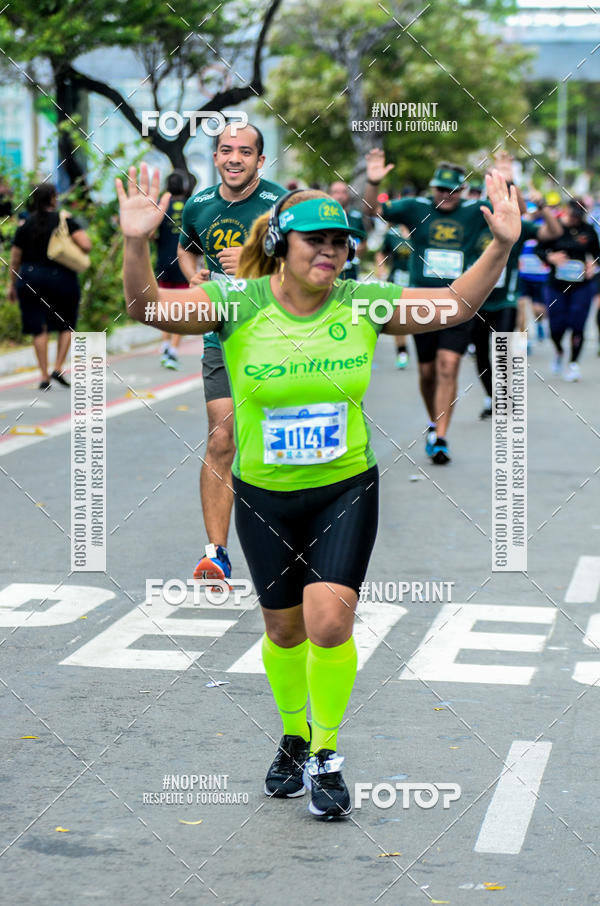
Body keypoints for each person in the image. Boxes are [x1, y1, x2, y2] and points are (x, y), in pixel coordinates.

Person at [117, 163, 521, 820]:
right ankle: (294, 736)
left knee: (329, 622)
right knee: (283, 631)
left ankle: (327, 753)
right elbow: (147, 308)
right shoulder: (237, 302)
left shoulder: (363, 302)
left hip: (343, 489)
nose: (330, 252)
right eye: (316, 241)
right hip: (264, 494)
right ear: (282, 245)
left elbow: (455, 305)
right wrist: (136, 242)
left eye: (339, 242)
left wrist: (500, 245)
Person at [176, 123, 287, 583]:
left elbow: (309, 267)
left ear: (260, 160)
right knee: (221, 438)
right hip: (221, 335)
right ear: (215, 157)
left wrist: (255, 263)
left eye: (245, 151)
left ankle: (288, 543)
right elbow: (186, 249)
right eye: (226, 150)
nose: (234, 158)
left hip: (277, 336)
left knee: (276, 441)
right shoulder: (199, 205)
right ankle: (216, 553)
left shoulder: (281, 206)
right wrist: (194, 276)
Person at [363, 153, 494, 464]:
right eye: (440, 189)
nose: (445, 195)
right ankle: (433, 420)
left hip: (459, 301)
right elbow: (371, 209)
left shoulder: (474, 211)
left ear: (462, 190)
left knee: (448, 366)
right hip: (421, 301)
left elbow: (514, 215)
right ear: (433, 188)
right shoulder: (416, 208)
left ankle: (440, 437)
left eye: (452, 190)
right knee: (427, 372)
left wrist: (507, 181)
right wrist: (373, 181)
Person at [471, 187, 561, 417]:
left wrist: (542, 207)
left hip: (506, 300)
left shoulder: (518, 226)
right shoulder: (474, 224)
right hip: (477, 300)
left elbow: (554, 232)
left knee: (502, 351)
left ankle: (503, 397)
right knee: (480, 354)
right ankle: (491, 396)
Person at [8, 184, 91, 389]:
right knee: (66, 324)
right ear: (53, 198)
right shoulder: (65, 220)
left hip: (30, 278)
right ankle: (58, 368)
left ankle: (44, 376)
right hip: (61, 278)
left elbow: (15, 260)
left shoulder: (25, 225)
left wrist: (12, 285)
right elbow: (86, 245)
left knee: (38, 328)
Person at [536, 198, 600, 381]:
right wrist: (550, 257)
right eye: (573, 215)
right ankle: (559, 351)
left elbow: (597, 254)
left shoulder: (587, 230)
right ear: (566, 210)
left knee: (577, 323)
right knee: (556, 326)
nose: (575, 219)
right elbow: (538, 249)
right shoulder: (555, 228)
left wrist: (593, 265)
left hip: (581, 286)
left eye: (579, 216)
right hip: (556, 286)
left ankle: (573, 363)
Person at [153, 170, 192, 369]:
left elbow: (151, 233)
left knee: (164, 305)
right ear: (184, 187)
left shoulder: (161, 206)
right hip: (184, 263)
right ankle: (174, 350)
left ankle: (165, 343)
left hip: (163, 262)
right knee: (182, 308)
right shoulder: (190, 206)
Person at [375, 219, 413, 369]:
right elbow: (380, 253)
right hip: (397, 279)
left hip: (417, 281)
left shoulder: (421, 231)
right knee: (400, 315)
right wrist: (381, 269)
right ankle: (402, 351)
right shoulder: (392, 234)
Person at [328, 181, 367, 280]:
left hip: (351, 271)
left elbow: (364, 241)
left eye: (344, 192)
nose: (340, 196)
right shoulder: (324, 218)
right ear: (329, 195)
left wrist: (356, 250)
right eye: (336, 192)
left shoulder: (356, 217)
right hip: (330, 270)